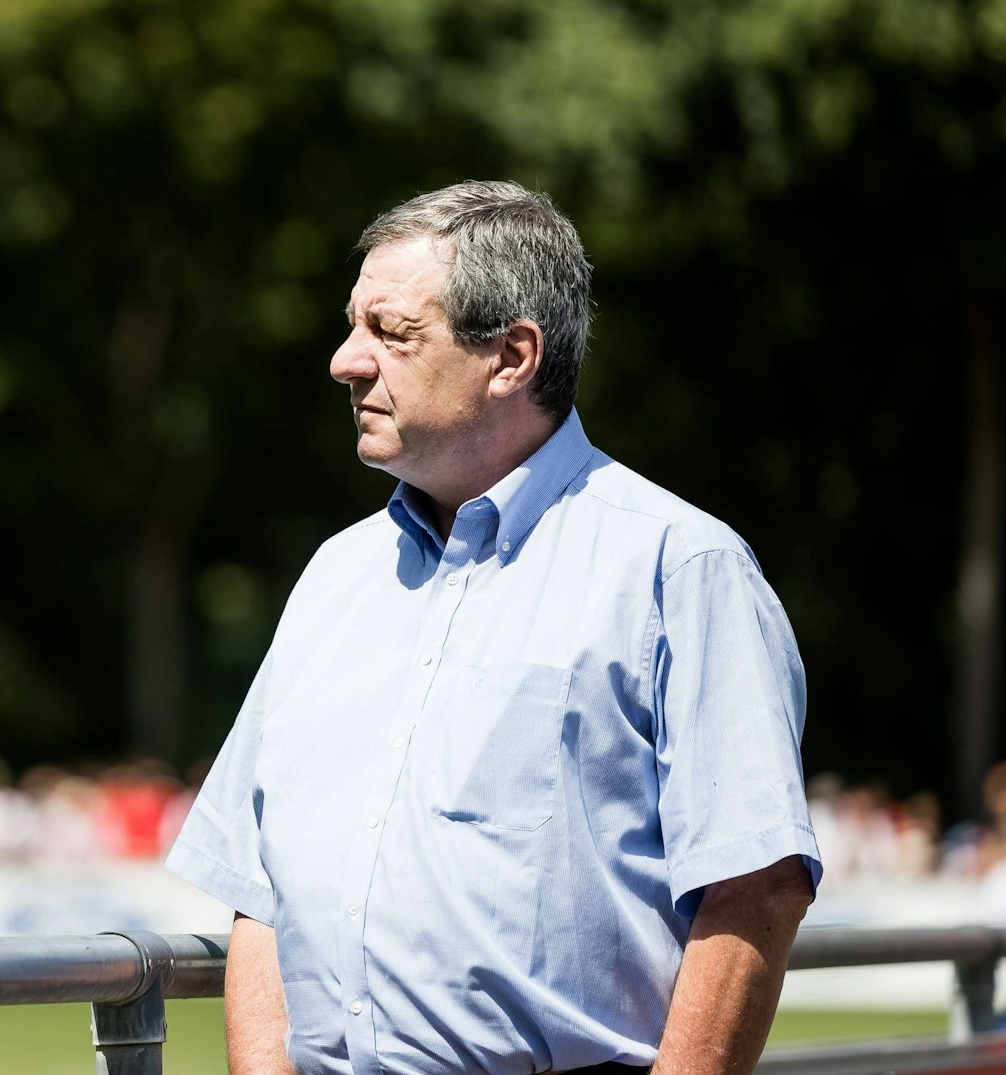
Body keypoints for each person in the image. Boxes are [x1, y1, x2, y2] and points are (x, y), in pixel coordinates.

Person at [168, 181, 820, 1075]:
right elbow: (258, 889)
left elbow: (757, 888)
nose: (344, 361)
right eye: (353, 324)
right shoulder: (334, 577)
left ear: (510, 356)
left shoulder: (677, 567)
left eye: (390, 333)